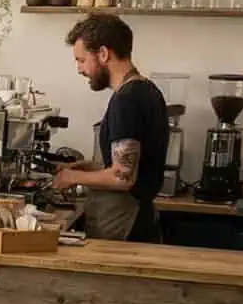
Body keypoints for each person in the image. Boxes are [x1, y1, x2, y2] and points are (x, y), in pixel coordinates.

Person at [50, 13, 169, 242]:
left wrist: (72, 176)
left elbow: (123, 177)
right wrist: (91, 167)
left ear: (103, 54)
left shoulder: (126, 100)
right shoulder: (147, 89)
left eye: (82, 60)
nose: (79, 69)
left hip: (126, 225)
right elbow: (135, 166)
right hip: (139, 220)